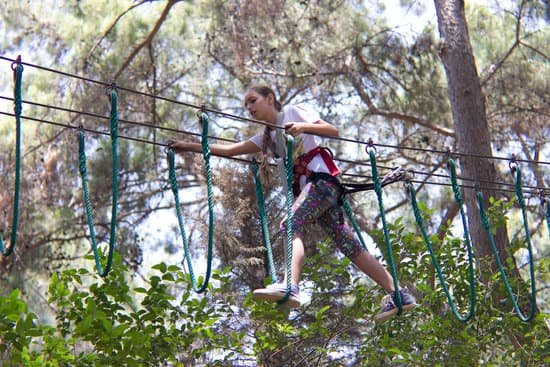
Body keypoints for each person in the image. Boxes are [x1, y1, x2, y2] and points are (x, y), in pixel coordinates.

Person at [168, 85, 416, 323]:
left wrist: (302, 127)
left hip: (321, 183)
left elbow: (332, 130)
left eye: (253, 100)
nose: (249, 108)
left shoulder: (293, 112)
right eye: (245, 105)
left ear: (270, 98)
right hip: (320, 191)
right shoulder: (267, 138)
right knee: (349, 245)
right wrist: (188, 146)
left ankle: (291, 286)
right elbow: (231, 150)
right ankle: (398, 294)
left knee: (290, 224)